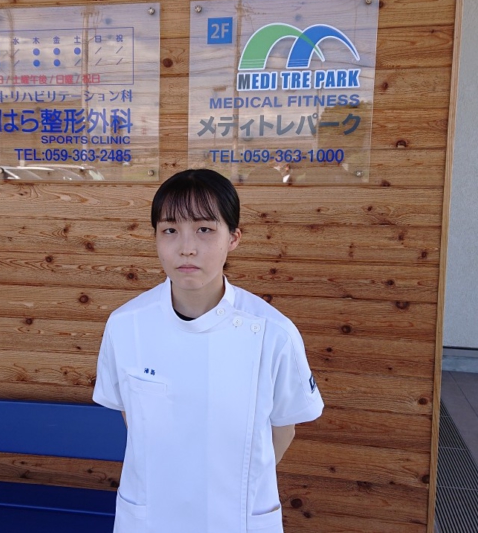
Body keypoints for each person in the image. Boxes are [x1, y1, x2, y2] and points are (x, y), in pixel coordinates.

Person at [93, 169, 324, 532]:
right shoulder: (126, 325)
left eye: (204, 229)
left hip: (236, 518)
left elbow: (284, 429)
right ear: (155, 238)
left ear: (233, 238)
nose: (186, 247)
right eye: (170, 230)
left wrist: (233, 483)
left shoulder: (273, 333)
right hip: (151, 517)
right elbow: (131, 415)